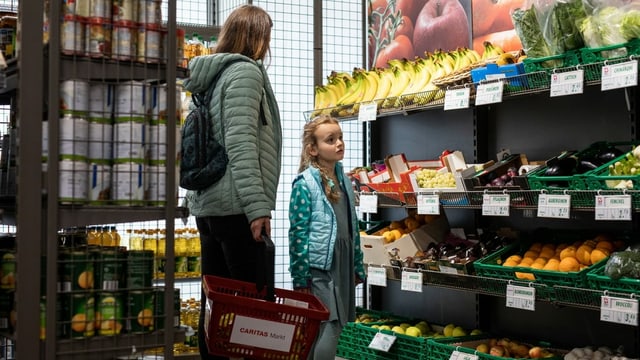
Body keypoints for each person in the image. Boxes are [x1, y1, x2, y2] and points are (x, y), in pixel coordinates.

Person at [181, 5, 282, 360]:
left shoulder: (212, 76)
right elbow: (241, 144)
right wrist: (257, 208)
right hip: (235, 206)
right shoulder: (244, 73)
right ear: (257, 37)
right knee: (247, 311)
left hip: (208, 205)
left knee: (216, 305)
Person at [288, 114, 366, 360]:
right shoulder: (304, 184)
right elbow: (297, 234)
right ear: (313, 149)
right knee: (329, 325)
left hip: (342, 263)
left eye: (340, 137)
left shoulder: (342, 178)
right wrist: (300, 276)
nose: (339, 143)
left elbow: (351, 226)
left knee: (332, 325)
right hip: (320, 268)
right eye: (330, 140)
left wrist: (357, 263)